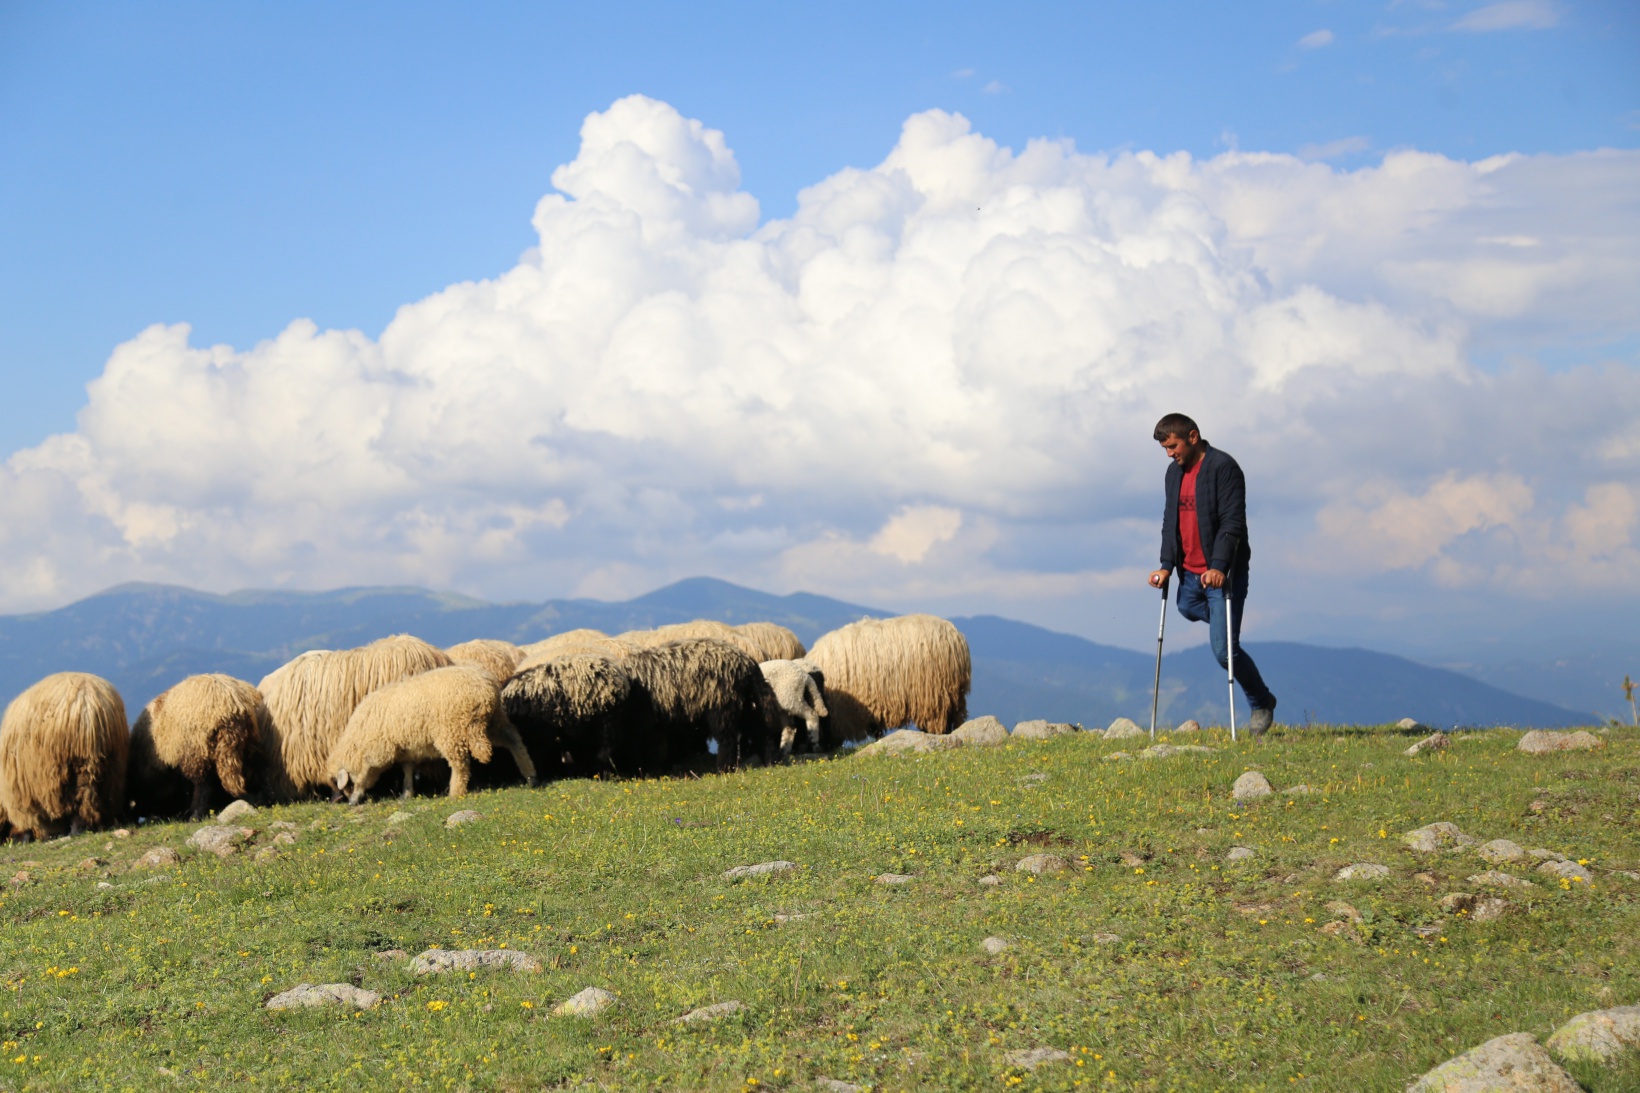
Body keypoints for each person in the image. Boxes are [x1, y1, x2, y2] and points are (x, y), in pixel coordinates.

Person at [1147, 413, 1278, 735]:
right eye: (1164, 448)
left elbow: (1233, 523)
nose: (1169, 454)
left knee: (1223, 651)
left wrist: (1219, 567)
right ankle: (1225, 624)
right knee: (1186, 607)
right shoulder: (1172, 473)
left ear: (1193, 436)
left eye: (1173, 446)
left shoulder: (1224, 468)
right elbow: (1170, 522)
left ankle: (1262, 702)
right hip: (1189, 573)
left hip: (1222, 574)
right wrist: (1166, 566)